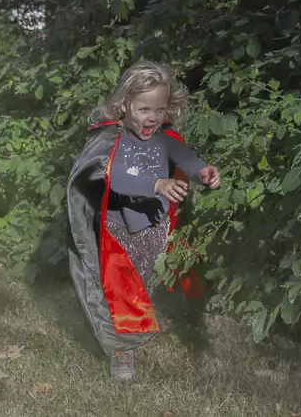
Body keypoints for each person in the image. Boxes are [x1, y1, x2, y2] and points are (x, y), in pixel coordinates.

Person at [66, 60, 221, 381]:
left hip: (153, 231)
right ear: (124, 105)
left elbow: (187, 159)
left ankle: (141, 324)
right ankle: (123, 352)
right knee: (121, 291)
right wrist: (157, 184)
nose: (152, 117)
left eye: (160, 109)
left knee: (144, 285)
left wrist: (203, 171)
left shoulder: (165, 139)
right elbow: (118, 179)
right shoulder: (113, 140)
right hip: (118, 230)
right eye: (143, 109)